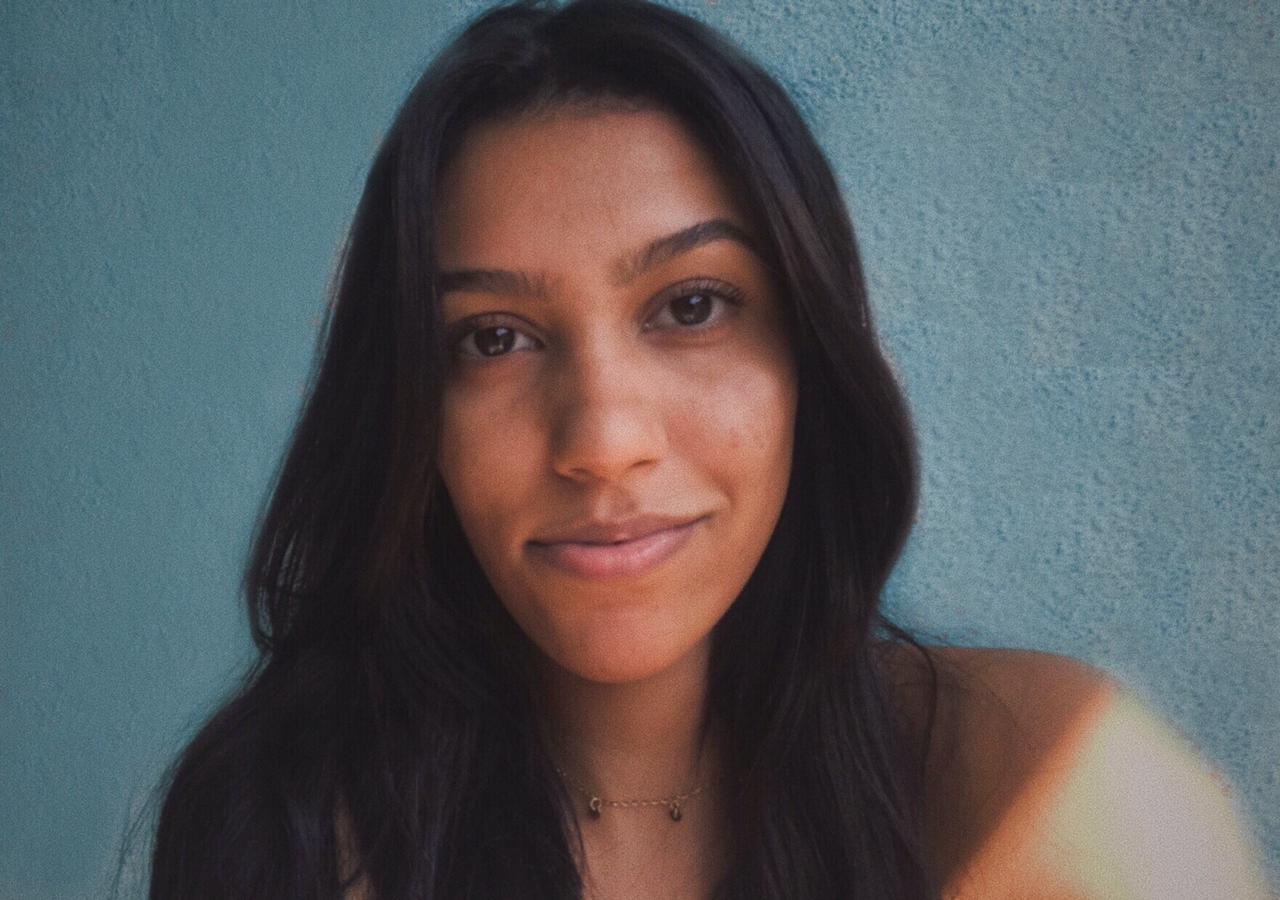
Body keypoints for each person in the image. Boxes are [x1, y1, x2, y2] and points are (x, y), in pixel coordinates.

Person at [148, 1, 1270, 897]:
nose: (603, 443)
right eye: (493, 338)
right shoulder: (287, 825)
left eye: (690, 306)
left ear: (808, 357)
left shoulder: (1052, 788)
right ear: (410, 409)